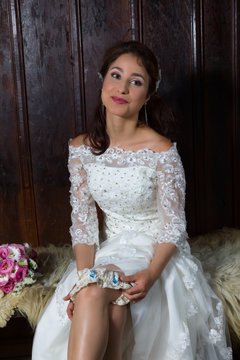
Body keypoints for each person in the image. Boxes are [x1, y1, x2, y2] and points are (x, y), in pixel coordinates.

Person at [32, 41, 232, 360]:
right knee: (99, 299)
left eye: (135, 81)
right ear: (102, 80)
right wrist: (83, 277)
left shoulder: (161, 151)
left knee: (95, 294)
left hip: (156, 255)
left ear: (148, 96)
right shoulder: (82, 150)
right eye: (116, 75)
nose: (122, 88)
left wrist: (150, 276)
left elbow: (173, 230)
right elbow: (84, 229)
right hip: (111, 250)